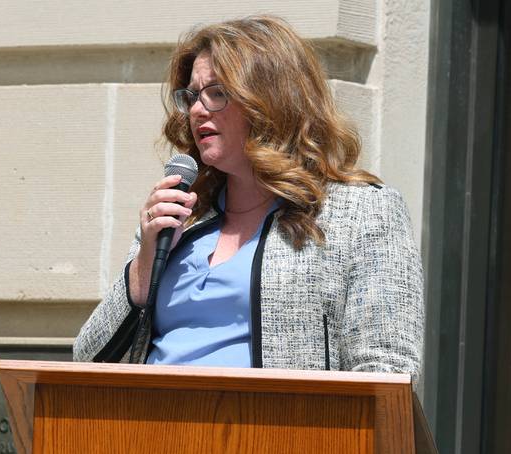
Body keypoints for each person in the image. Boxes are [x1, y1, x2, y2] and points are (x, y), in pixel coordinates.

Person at [73, 15, 423, 386]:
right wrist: (144, 267)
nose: (196, 109)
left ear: (271, 99)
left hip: (278, 438)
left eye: (217, 92)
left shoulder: (359, 213)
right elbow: (87, 359)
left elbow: (387, 374)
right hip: (151, 435)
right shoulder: (181, 212)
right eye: (191, 96)